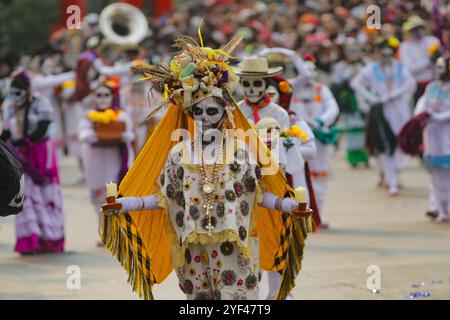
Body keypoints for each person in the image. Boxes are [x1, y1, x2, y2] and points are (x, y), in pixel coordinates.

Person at [99, 33, 311, 300]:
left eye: (212, 111)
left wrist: (290, 206)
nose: (205, 118)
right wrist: (124, 204)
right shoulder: (179, 154)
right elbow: (165, 197)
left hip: (235, 248)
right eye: (198, 112)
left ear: (224, 113)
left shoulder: (240, 152)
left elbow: (257, 195)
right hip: (193, 250)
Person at [0, 71, 64, 254]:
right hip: (19, 156)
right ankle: (29, 241)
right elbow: (6, 130)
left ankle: (50, 240)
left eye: (19, 92)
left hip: (40, 154)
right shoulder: (9, 105)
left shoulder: (41, 102)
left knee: (46, 196)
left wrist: (27, 141)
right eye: (13, 92)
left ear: (27, 90)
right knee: (25, 197)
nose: (16, 97)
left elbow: (43, 127)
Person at [351, 37, 416, 196]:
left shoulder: (400, 67)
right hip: (381, 111)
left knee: (401, 143)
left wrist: (397, 94)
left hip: (399, 110)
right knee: (385, 145)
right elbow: (356, 83)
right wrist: (370, 98)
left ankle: (394, 173)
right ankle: (391, 180)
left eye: (388, 53)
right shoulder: (372, 69)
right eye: (382, 53)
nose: (385, 57)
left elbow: (411, 83)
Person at [78, 79, 134, 244]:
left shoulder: (121, 115)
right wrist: (97, 135)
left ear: (112, 96)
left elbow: (130, 134)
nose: (102, 98)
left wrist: (119, 136)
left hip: (114, 159)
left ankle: (117, 231)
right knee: (97, 196)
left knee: (113, 195)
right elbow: (83, 134)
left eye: (106, 95)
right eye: (99, 95)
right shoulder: (88, 116)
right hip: (94, 160)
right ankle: (104, 230)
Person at [288, 57, 339, 228]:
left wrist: (319, 121)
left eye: (311, 71)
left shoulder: (321, 89)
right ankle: (300, 215)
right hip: (296, 138)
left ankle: (318, 217)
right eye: (305, 71)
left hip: (317, 137)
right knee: (297, 175)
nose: (308, 75)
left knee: (320, 176)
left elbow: (333, 108)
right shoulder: (290, 89)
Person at [415, 56, 450, 223]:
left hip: (447, 134)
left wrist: (437, 117)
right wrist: (421, 115)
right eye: (437, 67)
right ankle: (441, 208)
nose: (439, 70)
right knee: (436, 176)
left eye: (442, 67)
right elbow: (423, 105)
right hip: (432, 137)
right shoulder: (431, 87)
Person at [331, 38, 369, 167]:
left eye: (355, 50)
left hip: (363, 99)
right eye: (349, 50)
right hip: (349, 102)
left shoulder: (365, 64)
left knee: (364, 129)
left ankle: (365, 157)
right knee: (351, 130)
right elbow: (335, 85)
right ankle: (353, 159)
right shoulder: (340, 67)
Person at [400, 15, 441, 104]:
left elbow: (439, 64)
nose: (418, 31)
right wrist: (428, 61)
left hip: (435, 83)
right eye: (414, 29)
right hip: (418, 86)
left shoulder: (433, 41)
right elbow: (410, 69)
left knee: (436, 107)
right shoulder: (405, 47)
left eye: (420, 28)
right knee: (421, 112)